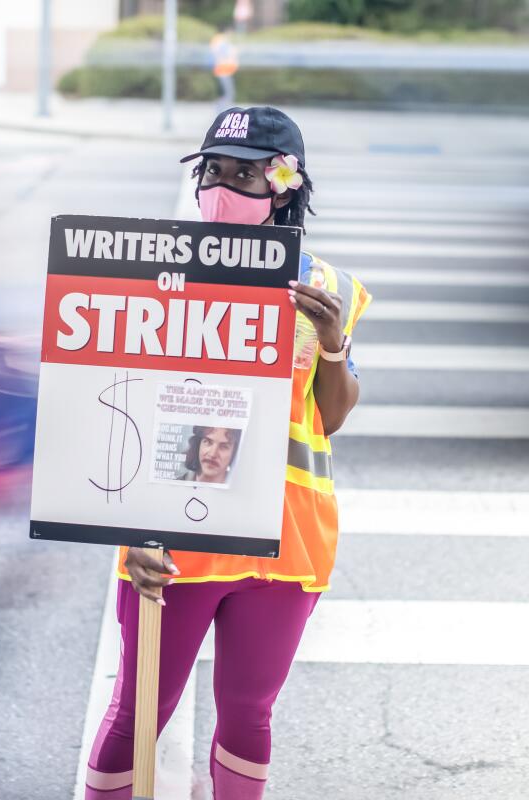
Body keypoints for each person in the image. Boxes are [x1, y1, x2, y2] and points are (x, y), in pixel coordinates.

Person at [83, 106, 371, 800]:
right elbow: (116, 408)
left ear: (285, 183)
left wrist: (332, 346)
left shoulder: (326, 290)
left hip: (284, 542)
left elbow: (328, 418)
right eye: (213, 169)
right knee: (138, 711)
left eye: (244, 173)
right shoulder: (157, 275)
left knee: (249, 714)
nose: (222, 186)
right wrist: (133, 528)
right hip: (176, 535)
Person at [175, 426, 241, 484]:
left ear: (235, 453)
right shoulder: (174, 486)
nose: (212, 454)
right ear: (197, 445)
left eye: (224, 446)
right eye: (208, 442)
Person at [209, 30, 239, 111]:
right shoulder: (221, 42)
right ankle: (221, 110)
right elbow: (220, 55)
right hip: (223, 71)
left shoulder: (221, 41)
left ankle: (221, 109)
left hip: (225, 71)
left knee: (228, 93)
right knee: (229, 93)